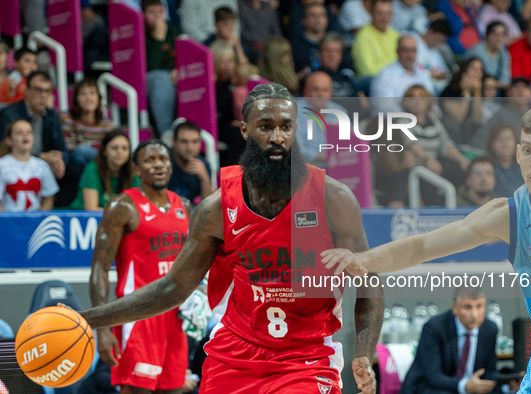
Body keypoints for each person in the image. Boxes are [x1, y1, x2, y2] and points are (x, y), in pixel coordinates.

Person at [78, 83, 384, 394]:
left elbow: (370, 279)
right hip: (235, 355)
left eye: (285, 127)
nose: (277, 138)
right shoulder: (216, 207)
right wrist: (86, 320)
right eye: (265, 127)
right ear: (245, 130)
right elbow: (172, 289)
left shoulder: (333, 199)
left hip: (305, 358)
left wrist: (365, 349)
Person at [322, 103, 531, 394]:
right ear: (517, 154)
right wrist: (360, 257)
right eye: (528, 150)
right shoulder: (509, 215)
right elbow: (421, 247)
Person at [88, 139, 192, 393]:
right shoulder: (122, 206)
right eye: (150, 160)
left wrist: (197, 294)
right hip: (138, 316)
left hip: (176, 318)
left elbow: (191, 264)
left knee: (175, 390)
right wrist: (102, 328)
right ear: (136, 169)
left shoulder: (184, 206)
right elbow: (99, 269)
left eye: (163, 159)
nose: (159, 165)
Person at [0, 71, 82, 207]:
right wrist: (42, 157)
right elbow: (4, 149)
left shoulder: (51, 116)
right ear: (26, 90)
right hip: (15, 163)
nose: (43, 95)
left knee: (72, 170)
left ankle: (59, 211)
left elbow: (62, 148)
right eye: (38, 90)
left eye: (47, 91)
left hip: (44, 166)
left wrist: (58, 160)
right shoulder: (9, 114)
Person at [400, 287, 501, 394]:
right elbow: (433, 376)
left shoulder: (489, 329)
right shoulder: (434, 328)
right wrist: (465, 386)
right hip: (432, 388)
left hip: (471, 389)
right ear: (455, 308)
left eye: (479, 306)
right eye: (467, 307)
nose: (474, 315)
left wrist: (506, 384)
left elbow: (489, 371)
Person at [68, 130, 138, 211]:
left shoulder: (133, 173)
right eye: (114, 148)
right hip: (82, 220)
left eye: (125, 148)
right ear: (104, 151)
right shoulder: (92, 169)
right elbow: (91, 209)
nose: (120, 152)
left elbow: (136, 209)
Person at [0, 119, 59, 211]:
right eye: (19, 132)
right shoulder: (2, 165)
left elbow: (48, 198)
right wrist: (7, 220)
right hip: (7, 221)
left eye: (29, 132)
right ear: (9, 140)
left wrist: (39, 218)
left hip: (35, 222)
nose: (25, 135)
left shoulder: (42, 166)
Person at [143, 0, 180, 137]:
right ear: (143, 14)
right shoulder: (140, 32)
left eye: (160, 12)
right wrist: (159, 39)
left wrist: (180, 68)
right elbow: (152, 67)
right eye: (152, 12)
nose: (157, 16)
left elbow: (185, 54)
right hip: (150, 80)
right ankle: (166, 132)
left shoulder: (173, 30)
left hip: (174, 75)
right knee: (161, 78)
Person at [295, 71, 347, 167]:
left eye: (325, 90)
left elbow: (349, 145)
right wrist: (326, 156)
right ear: (306, 91)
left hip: (337, 167)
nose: (321, 94)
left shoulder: (340, 112)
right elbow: (294, 150)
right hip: (307, 168)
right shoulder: (294, 112)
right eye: (316, 89)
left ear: (331, 93)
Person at [370, 35, 434, 110]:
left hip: (421, 118)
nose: (410, 55)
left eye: (413, 50)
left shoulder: (423, 73)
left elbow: (431, 100)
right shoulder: (385, 75)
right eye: (406, 50)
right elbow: (385, 108)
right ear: (397, 51)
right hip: (395, 120)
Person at [61, 77, 114, 168]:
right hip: (77, 166)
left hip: (102, 164)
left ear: (98, 97)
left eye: (92, 93)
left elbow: (112, 147)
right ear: (76, 98)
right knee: (80, 151)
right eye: (83, 93)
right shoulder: (67, 119)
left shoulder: (106, 123)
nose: (88, 97)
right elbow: (69, 147)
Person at [440, 57, 485, 145]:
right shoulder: (451, 89)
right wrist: (466, 92)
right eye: (473, 68)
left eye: (480, 70)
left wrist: (477, 93)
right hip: (450, 131)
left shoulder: (479, 90)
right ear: (464, 71)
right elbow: (458, 118)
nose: (477, 72)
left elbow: (478, 120)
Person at [351, 0, 400, 77]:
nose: (384, 18)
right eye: (380, 13)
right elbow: (367, 70)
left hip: (396, 78)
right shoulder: (363, 36)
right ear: (371, 13)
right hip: (372, 81)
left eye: (388, 14)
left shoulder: (396, 35)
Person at [168, 121, 213, 202]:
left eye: (195, 141)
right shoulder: (164, 163)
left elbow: (208, 205)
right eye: (184, 142)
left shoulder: (203, 165)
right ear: (174, 142)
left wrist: (204, 178)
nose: (190, 147)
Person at [466, 21, 512, 88]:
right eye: (495, 34)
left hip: (493, 89)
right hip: (474, 85)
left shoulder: (504, 54)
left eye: (502, 35)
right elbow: (468, 74)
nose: (499, 38)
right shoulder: (477, 50)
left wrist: (492, 84)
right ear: (487, 34)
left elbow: (506, 81)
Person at [487, 123, 524, 197]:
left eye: (508, 138)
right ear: (491, 144)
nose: (504, 143)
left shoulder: (524, 166)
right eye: (499, 139)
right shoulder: (487, 167)